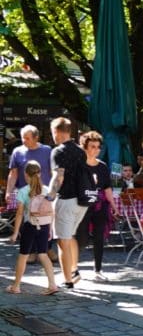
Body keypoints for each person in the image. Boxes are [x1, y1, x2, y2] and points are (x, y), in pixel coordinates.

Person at [5, 160, 59, 295]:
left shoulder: (23, 191)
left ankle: (16, 286)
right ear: (40, 174)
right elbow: (52, 211)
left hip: (30, 226)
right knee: (43, 254)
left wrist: (15, 232)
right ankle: (52, 284)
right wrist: (51, 229)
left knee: (23, 256)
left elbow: (19, 214)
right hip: (45, 225)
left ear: (25, 174)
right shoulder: (47, 190)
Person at [49, 119, 88, 289]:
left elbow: (59, 176)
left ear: (57, 131)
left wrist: (49, 197)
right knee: (71, 235)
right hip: (82, 202)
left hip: (65, 200)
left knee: (62, 241)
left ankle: (68, 281)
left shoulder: (58, 151)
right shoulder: (81, 151)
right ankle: (74, 270)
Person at [76, 132, 118, 279]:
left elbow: (107, 187)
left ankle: (98, 269)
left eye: (98, 147)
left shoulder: (102, 166)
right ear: (85, 147)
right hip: (82, 205)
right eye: (92, 146)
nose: (95, 150)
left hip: (100, 205)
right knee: (81, 238)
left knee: (99, 237)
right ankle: (73, 268)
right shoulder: (79, 166)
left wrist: (113, 204)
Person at [5, 125, 53, 207]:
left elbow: (52, 172)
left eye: (27, 138)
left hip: (43, 195)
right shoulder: (17, 152)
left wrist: (53, 191)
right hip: (23, 195)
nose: (24, 141)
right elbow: (13, 174)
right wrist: (8, 192)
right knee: (21, 217)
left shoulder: (47, 150)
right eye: (23, 138)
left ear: (36, 138)